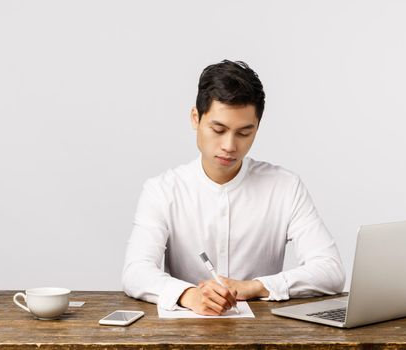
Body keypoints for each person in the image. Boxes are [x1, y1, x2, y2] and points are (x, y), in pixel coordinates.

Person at [122, 59, 345, 316]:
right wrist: (189, 295)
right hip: (187, 336)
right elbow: (135, 271)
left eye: (244, 133)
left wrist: (254, 287)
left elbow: (330, 270)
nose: (229, 145)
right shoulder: (162, 190)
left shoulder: (284, 187)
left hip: (263, 337)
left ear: (257, 128)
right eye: (218, 129)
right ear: (196, 118)